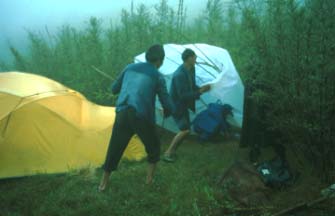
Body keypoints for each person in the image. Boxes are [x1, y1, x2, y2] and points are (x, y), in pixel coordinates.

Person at [99, 44, 174, 191]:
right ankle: (149, 180)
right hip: (141, 116)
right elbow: (167, 103)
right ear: (160, 61)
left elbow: (114, 89)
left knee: (115, 147)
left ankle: (103, 184)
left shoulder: (129, 68)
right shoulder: (157, 76)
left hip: (122, 112)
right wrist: (168, 110)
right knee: (153, 147)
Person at [163, 48, 211, 162]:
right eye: (194, 57)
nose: (196, 59)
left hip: (183, 104)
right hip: (176, 105)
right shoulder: (179, 74)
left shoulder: (191, 69)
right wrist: (200, 92)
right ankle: (168, 153)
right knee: (185, 130)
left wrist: (200, 89)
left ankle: (172, 152)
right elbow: (182, 95)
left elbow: (192, 86)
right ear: (189, 58)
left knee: (186, 130)